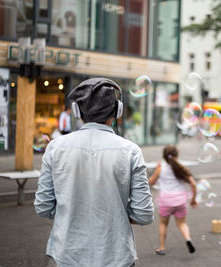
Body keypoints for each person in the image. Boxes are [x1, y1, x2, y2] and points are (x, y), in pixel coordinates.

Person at [35, 78, 154, 267]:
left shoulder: (55, 148)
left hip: (66, 255)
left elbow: (43, 207)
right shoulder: (130, 151)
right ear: (118, 110)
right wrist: (115, 214)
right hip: (116, 256)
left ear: (77, 111)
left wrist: (73, 213)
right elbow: (144, 214)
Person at [149, 145, 197, 256]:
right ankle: (188, 239)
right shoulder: (181, 168)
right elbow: (193, 184)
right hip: (180, 201)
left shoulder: (161, 167)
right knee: (182, 223)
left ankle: (162, 248)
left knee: (163, 224)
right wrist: (193, 199)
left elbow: (151, 182)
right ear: (177, 155)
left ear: (164, 156)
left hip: (166, 201)